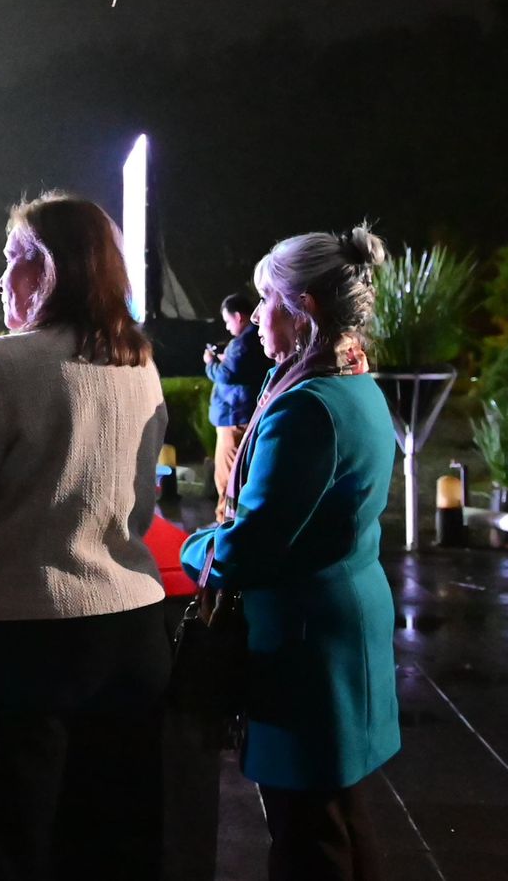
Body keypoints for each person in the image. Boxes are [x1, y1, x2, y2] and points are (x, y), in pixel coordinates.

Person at [0, 191, 170, 880]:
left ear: (51, 269)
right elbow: (141, 505)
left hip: (15, 644)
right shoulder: (138, 363)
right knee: (103, 848)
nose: (1, 281)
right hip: (130, 634)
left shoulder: (3, 362)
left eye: (14, 261)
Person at [180, 226, 398, 881]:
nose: (253, 326)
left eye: (265, 302)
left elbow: (248, 547)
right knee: (343, 816)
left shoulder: (304, 409)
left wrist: (193, 547)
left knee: (308, 837)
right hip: (345, 624)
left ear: (302, 308)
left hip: (305, 647)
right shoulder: (356, 387)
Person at [205, 291, 271, 523]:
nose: (226, 326)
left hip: (234, 418)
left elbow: (226, 375)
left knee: (226, 477)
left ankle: (224, 524)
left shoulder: (242, 343)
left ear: (239, 316)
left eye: (227, 320)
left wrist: (210, 363)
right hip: (246, 413)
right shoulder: (256, 339)